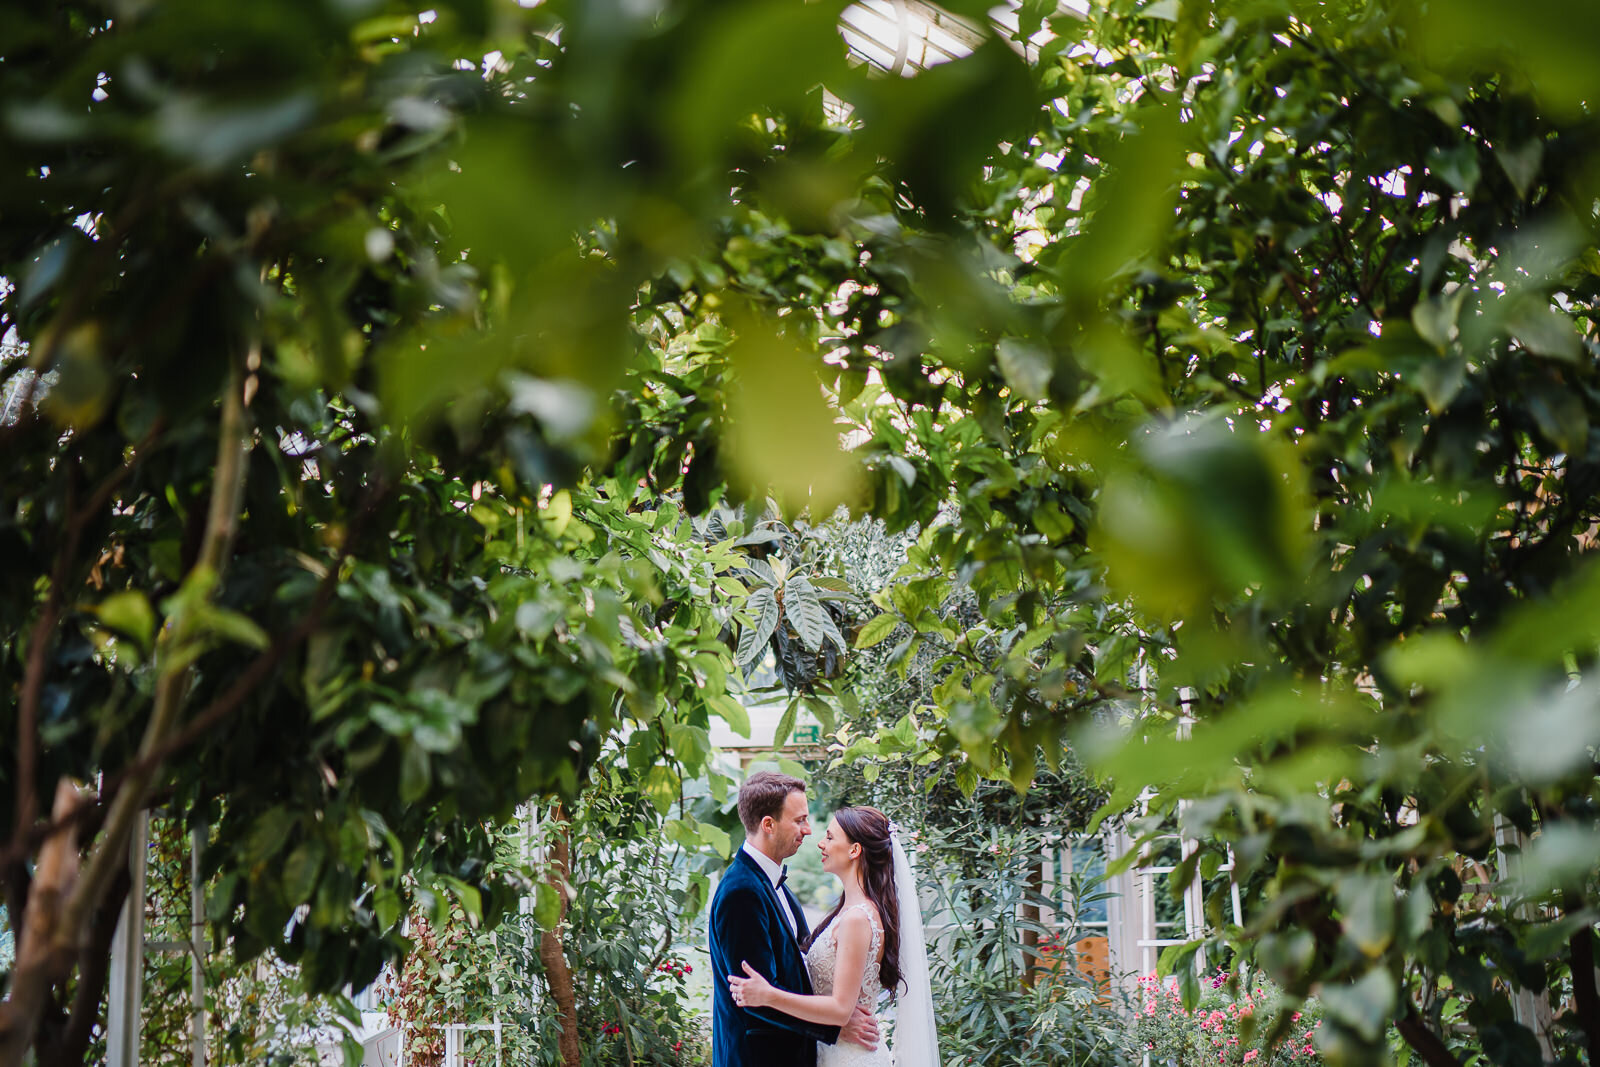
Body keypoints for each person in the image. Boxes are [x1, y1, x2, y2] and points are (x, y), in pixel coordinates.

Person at [727, 805, 941, 1067]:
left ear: (854, 850)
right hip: (832, 1052)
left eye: (829, 837)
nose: (820, 843)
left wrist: (768, 994)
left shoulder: (856, 919)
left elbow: (840, 1010)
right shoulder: (850, 911)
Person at [709, 772, 882, 1067]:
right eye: (799, 820)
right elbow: (753, 997)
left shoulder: (777, 886)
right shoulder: (741, 893)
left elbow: (796, 973)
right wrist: (835, 1024)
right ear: (768, 825)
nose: (808, 830)